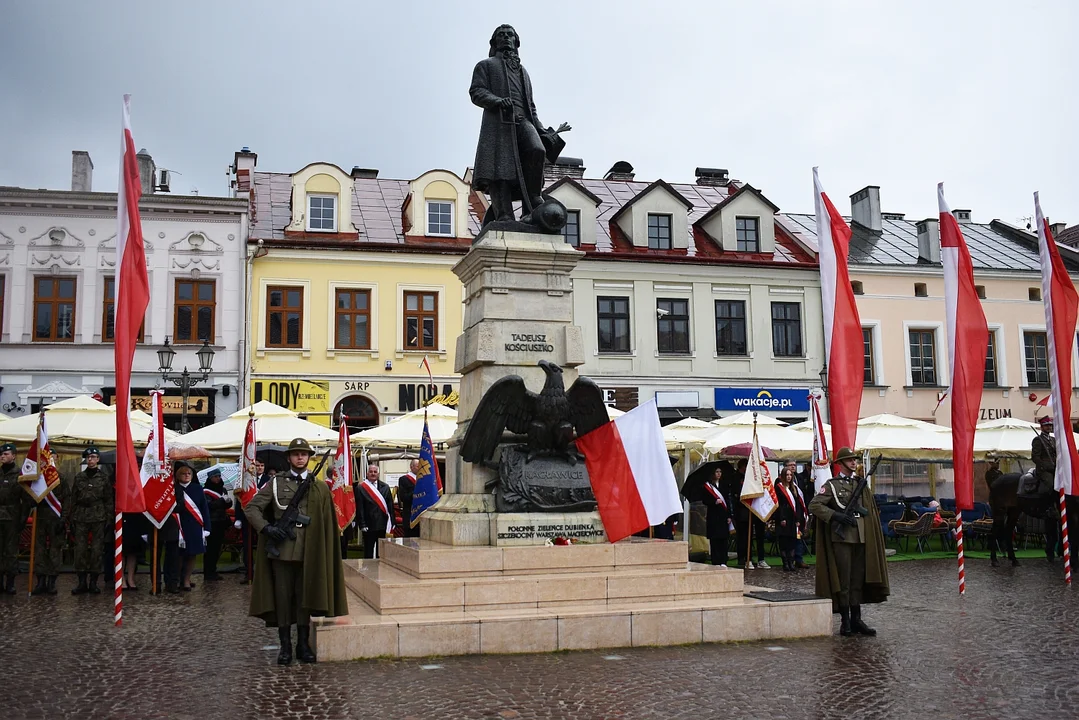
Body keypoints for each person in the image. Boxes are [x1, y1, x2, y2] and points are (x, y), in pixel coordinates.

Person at [245, 437, 348, 666]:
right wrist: (268, 528)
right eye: (295, 454)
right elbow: (251, 508)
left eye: (304, 454)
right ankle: (285, 646)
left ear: (309, 458)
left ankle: (303, 644)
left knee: (304, 598)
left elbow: (326, 522)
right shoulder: (275, 483)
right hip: (282, 552)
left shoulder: (320, 487)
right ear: (289, 457)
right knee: (283, 598)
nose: (300, 457)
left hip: (309, 552)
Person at [469, 24, 568, 226]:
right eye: (501, 35)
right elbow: (476, 92)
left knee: (536, 149)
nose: (506, 38)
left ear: (516, 41)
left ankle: (532, 200)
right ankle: (504, 214)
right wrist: (497, 101)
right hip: (499, 124)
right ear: (494, 41)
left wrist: (541, 130)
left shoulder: (523, 71)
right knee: (500, 169)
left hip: (523, 120)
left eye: (510, 35)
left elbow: (530, 105)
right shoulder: (485, 65)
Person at [808, 446, 890, 636]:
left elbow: (867, 509)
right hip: (842, 538)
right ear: (840, 463)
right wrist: (836, 516)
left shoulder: (860, 484)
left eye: (855, 459)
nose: (854, 462)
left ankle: (857, 619)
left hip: (860, 536)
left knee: (857, 580)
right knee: (843, 581)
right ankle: (845, 621)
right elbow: (815, 505)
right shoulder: (832, 485)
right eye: (850, 460)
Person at [68, 447, 111, 595]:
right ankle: (81, 582)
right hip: (80, 516)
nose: (91, 460)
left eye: (93, 457)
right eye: (88, 457)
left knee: (96, 550)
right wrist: (70, 518)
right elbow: (73, 498)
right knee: (80, 550)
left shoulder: (104, 478)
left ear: (98, 459)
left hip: (98, 516)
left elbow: (108, 500)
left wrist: (109, 519)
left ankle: (93, 582)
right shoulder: (79, 477)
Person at [174, 461, 210, 591]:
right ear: (178, 475)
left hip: (195, 525)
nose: (187, 475)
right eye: (183, 473)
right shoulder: (173, 488)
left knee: (192, 554)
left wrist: (207, 528)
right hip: (179, 526)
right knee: (179, 554)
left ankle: (187, 579)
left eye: (189, 473)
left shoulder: (197, 488)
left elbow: (204, 509)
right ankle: (176, 579)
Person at [0, 442, 29, 595]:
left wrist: (23, 518)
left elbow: (26, 499)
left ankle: (10, 583)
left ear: (13, 455)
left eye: (5, 454)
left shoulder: (20, 475)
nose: (2, 456)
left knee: (11, 551)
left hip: (12, 517)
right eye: (1, 454)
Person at [238, 459, 273, 584]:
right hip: (247, 517)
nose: (259, 468)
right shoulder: (246, 479)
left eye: (262, 465)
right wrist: (238, 518)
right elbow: (240, 499)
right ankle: (248, 573)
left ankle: (263, 573)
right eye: (257, 465)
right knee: (247, 546)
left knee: (263, 545)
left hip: (263, 518)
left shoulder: (269, 481)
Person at [731, 458, 768, 569]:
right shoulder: (736, 477)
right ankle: (745, 558)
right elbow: (737, 494)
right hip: (743, 511)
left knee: (760, 535)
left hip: (757, 510)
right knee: (745, 536)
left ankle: (761, 559)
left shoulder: (756, 478)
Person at [356, 464, 394, 559]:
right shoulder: (361, 488)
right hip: (369, 525)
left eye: (375, 472)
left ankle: (380, 570)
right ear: (367, 473)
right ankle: (368, 570)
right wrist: (362, 524)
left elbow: (390, 506)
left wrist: (392, 522)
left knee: (381, 551)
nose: (373, 474)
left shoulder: (385, 487)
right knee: (368, 551)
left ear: (378, 474)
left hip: (382, 524)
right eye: (371, 472)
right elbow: (360, 507)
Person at [702, 461, 734, 568]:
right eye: (717, 472)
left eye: (720, 472)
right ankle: (715, 560)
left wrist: (729, 515)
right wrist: (714, 502)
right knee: (715, 539)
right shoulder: (707, 486)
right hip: (713, 515)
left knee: (723, 539)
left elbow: (728, 501)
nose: (719, 474)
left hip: (723, 515)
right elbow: (705, 500)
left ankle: (723, 560)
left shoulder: (724, 485)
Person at [202, 468, 230, 581]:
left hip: (221, 522)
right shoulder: (205, 491)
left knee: (217, 548)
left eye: (219, 476)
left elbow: (225, 506)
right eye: (215, 477)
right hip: (211, 522)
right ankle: (208, 572)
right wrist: (221, 501)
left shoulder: (223, 489)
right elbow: (208, 506)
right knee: (210, 549)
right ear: (210, 478)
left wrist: (228, 502)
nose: (218, 478)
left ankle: (213, 570)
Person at [775, 467, 805, 572]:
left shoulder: (794, 488)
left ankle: (791, 562)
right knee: (784, 541)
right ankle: (785, 563)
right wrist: (781, 518)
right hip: (783, 518)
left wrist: (798, 519)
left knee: (792, 540)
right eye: (787, 475)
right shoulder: (779, 488)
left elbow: (797, 504)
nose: (789, 477)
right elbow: (779, 504)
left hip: (793, 518)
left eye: (790, 475)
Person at [783, 460, 811, 569]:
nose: (793, 467)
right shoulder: (780, 481)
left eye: (794, 465)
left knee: (799, 535)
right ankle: (789, 560)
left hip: (799, 511)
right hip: (788, 514)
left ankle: (799, 559)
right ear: (785, 466)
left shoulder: (799, 478)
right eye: (791, 465)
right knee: (789, 538)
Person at [397, 459, 419, 538]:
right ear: (411, 467)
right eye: (417, 466)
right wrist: (417, 490)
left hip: (421, 516)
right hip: (410, 515)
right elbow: (403, 497)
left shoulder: (423, 480)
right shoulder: (404, 479)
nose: (419, 468)